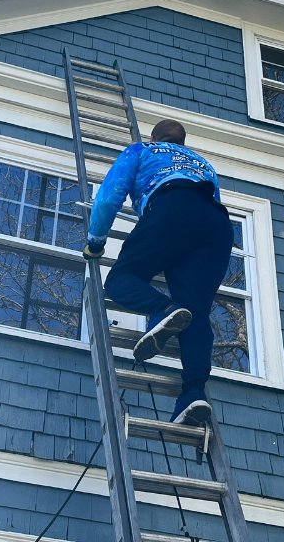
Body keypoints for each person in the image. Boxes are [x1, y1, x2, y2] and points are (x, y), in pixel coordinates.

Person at [83, 119, 233, 426]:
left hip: (171, 206)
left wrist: (96, 242)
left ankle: (163, 310)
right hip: (217, 225)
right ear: (183, 142)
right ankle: (193, 393)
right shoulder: (203, 165)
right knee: (197, 313)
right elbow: (212, 201)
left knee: (120, 281)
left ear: (155, 137)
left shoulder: (141, 150)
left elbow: (110, 196)